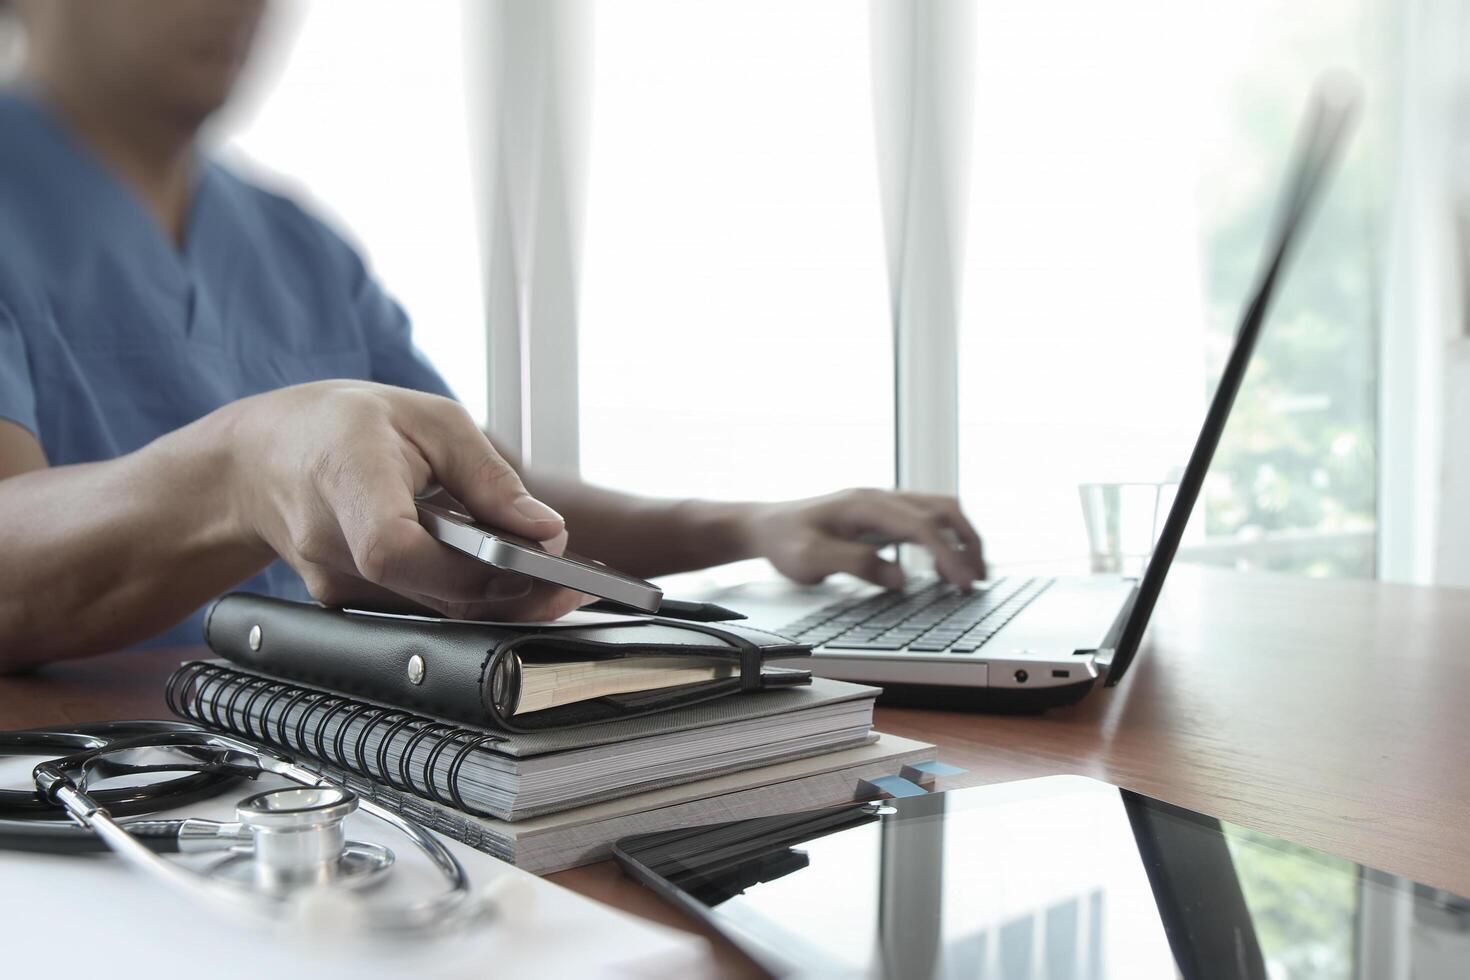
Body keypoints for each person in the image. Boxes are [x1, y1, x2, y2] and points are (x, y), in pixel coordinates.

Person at [0, 0, 983, 669]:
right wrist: (239, 465)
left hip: (328, 782)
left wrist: (743, 525)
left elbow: (490, 500)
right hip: (97, 795)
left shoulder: (295, 243)